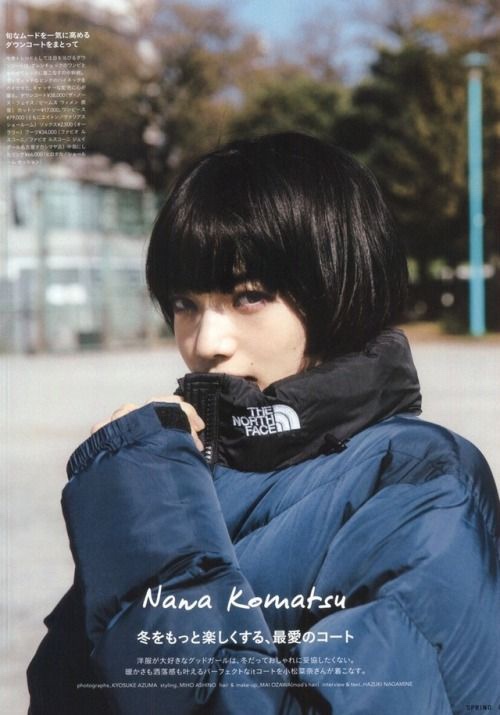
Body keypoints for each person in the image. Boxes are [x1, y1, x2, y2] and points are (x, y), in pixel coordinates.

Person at [28, 132, 500, 714]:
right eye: (184, 304)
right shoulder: (183, 468)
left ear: (335, 288)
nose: (205, 342)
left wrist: (152, 520)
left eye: (248, 296)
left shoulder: (417, 477)